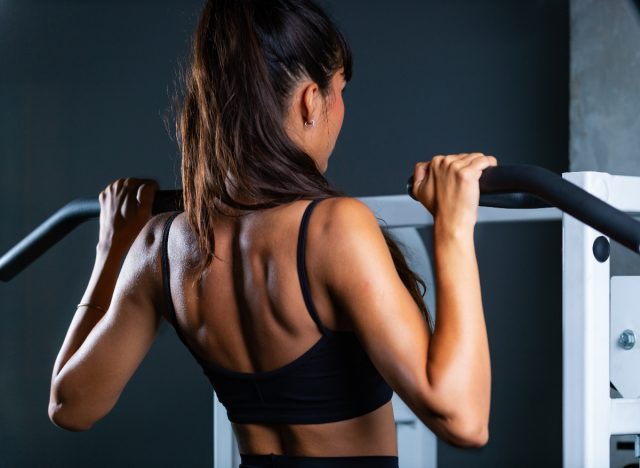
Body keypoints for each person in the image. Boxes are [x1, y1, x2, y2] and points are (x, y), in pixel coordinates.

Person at [48, 0, 494, 466]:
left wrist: (112, 249)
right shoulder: (334, 228)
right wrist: (454, 226)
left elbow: (69, 405)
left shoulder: (160, 246)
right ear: (309, 100)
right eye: (338, 90)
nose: (342, 111)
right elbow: (464, 420)